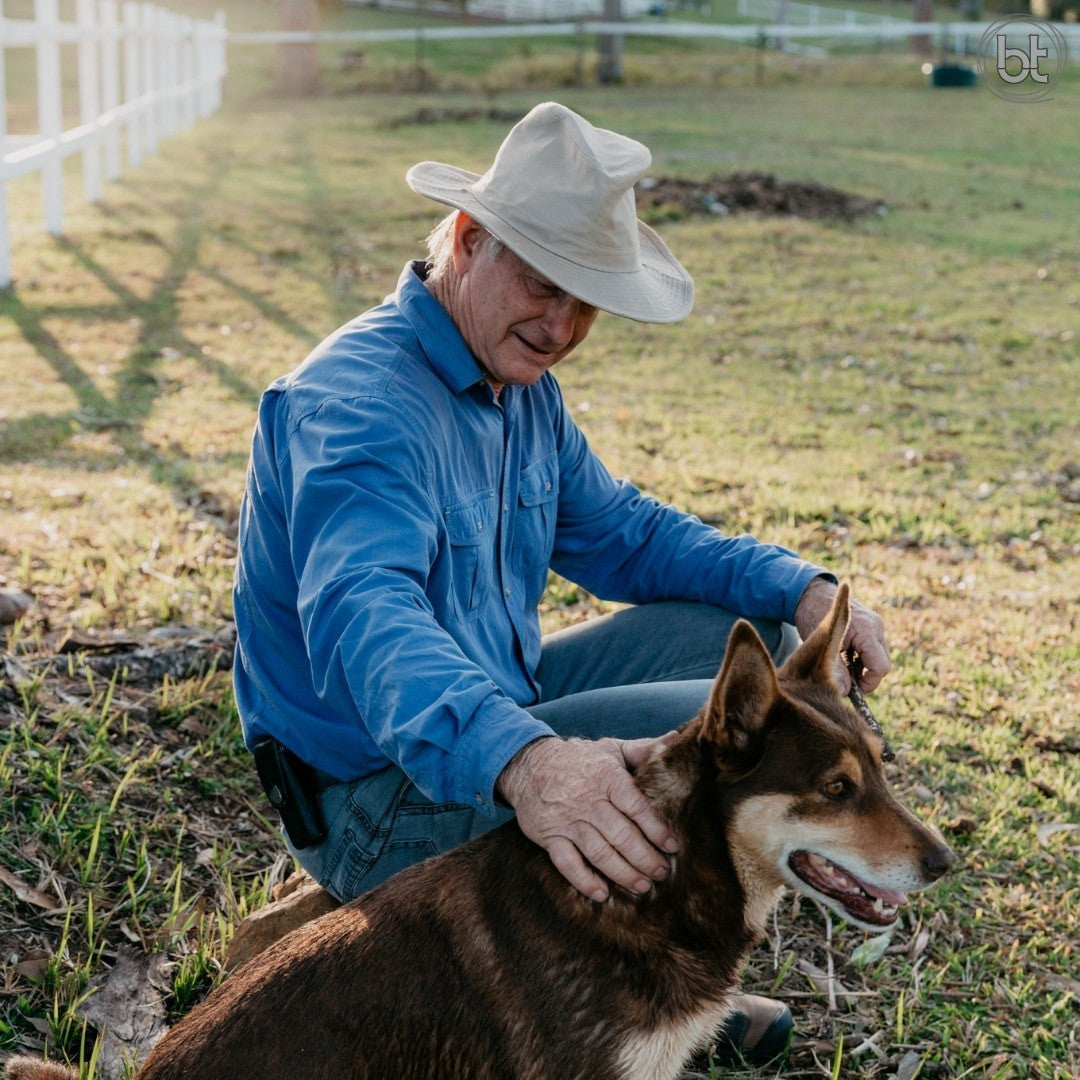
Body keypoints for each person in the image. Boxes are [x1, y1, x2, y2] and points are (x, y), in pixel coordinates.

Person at [232, 101, 890, 1068]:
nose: (562, 327)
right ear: (468, 240)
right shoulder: (359, 406)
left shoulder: (519, 386)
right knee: (717, 750)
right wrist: (532, 763)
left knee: (756, 646)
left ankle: (647, 957)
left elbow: (624, 532)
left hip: (494, 705)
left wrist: (799, 587)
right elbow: (366, 624)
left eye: (587, 302)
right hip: (375, 795)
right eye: (544, 285)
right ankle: (647, 993)